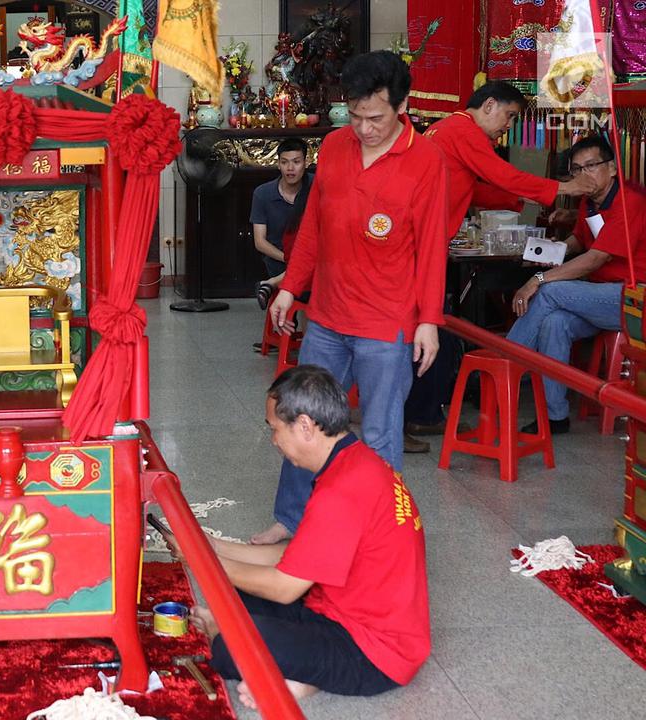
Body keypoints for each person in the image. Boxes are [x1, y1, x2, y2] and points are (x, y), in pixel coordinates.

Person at [259, 51, 448, 545]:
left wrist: (428, 319)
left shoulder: (426, 159)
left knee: (381, 434)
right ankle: (293, 518)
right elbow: (314, 229)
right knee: (304, 423)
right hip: (327, 316)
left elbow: (431, 246)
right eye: (356, 115)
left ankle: (376, 535)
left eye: (376, 118)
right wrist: (291, 287)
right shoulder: (336, 146)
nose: (364, 129)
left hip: (387, 323)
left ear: (402, 106)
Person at [180, 365, 429, 710]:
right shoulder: (354, 461)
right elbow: (297, 555)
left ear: (306, 426)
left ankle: (306, 678)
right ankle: (294, 667)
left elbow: (285, 586)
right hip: (340, 609)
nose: (273, 441)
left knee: (225, 649)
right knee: (233, 596)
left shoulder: (341, 491)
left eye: (275, 429)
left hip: (374, 654)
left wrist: (201, 559)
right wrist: (213, 546)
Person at [405, 82, 597, 436]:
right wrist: (562, 189)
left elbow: (468, 186)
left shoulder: (446, 129)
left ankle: (425, 408)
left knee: (432, 324)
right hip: (422, 243)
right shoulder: (464, 130)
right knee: (429, 325)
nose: (508, 126)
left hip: (424, 240)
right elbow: (501, 174)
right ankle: (422, 411)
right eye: (509, 116)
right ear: (489, 104)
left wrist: (518, 203)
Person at [506, 135, 646, 434]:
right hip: (601, 296)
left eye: (591, 166)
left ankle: (505, 365)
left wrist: (538, 278)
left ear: (611, 168)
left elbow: (596, 258)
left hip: (635, 298)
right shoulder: (591, 201)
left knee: (548, 291)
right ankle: (555, 417)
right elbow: (582, 239)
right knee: (554, 323)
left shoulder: (628, 199)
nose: (584, 174)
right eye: (577, 169)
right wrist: (553, 251)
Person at [252, 138, 315, 309]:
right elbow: (260, 242)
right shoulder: (263, 193)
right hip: (279, 262)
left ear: (306, 162)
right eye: (284, 162)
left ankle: (270, 284)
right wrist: (290, 259)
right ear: (278, 164)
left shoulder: (317, 186)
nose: (290, 168)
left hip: (313, 259)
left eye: (296, 162)